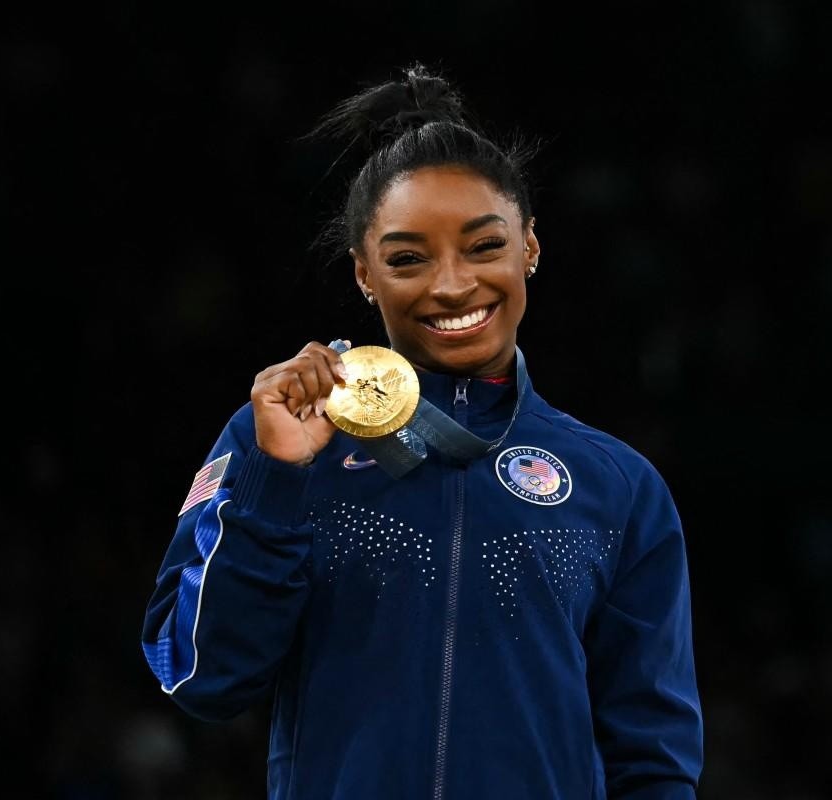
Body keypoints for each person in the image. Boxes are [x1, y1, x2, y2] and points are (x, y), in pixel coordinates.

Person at [141, 62, 703, 799]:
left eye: (484, 246)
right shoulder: (277, 438)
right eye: (408, 258)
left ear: (529, 246)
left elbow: (654, 762)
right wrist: (276, 481)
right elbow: (198, 676)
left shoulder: (618, 485)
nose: (451, 285)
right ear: (363, 274)